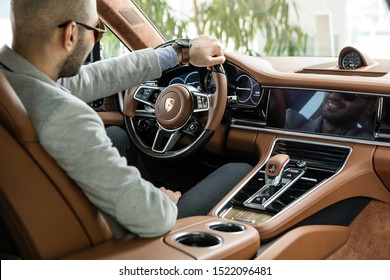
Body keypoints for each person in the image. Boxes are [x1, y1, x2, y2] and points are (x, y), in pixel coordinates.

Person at [0, 0, 252, 238]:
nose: (96, 37)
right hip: (110, 243)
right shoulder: (64, 114)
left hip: (34, 221)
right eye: (97, 31)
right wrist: (162, 200)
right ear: (71, 35)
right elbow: (156, 218)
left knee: (118, 137)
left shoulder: (12, 83)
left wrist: (180, 54)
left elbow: (91, 78)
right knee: (238, 171)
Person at [285, 91, 377, 138]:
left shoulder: (371, 145)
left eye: (349, 93)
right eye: (331, 87)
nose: (334, 95)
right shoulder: (290, 122)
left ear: (371, 107)